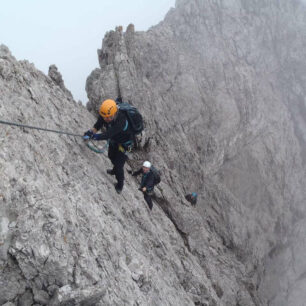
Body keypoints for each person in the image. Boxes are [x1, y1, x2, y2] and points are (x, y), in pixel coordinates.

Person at [84, 99, 134, 194]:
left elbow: (108, 134)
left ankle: (120, 185)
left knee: (119, 166)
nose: (106, 119)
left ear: (115, 113)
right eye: (104, 117)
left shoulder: (121, 120)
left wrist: (93, 136)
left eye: (109, 117)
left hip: (125, 145)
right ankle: (114, 170)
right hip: (114, 141)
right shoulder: (105, 115)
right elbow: (97, 126)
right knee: (111, 156)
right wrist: (90, 132)